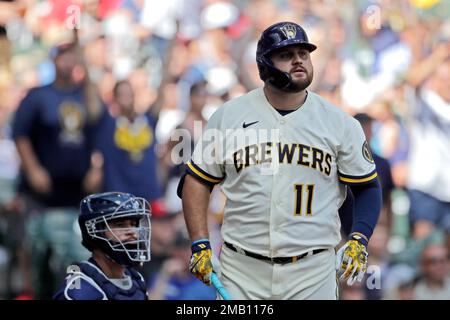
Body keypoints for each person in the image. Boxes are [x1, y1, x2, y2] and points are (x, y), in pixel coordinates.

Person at [178, 22, 382, 299]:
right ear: (265, 65)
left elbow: (368, 186)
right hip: (242, 270)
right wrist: (200, 243)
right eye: (286, 54)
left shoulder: (340, 123)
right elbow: (196, 182)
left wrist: (360, 237)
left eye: (304, 53)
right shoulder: (228, 116)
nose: (298, 60)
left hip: (312, 271)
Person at [53, 192, 151, 300]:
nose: (133, 232)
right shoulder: (81, 289)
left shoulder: (136, 279)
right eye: (120, 225)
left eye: (133, 224)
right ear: (94, 230)